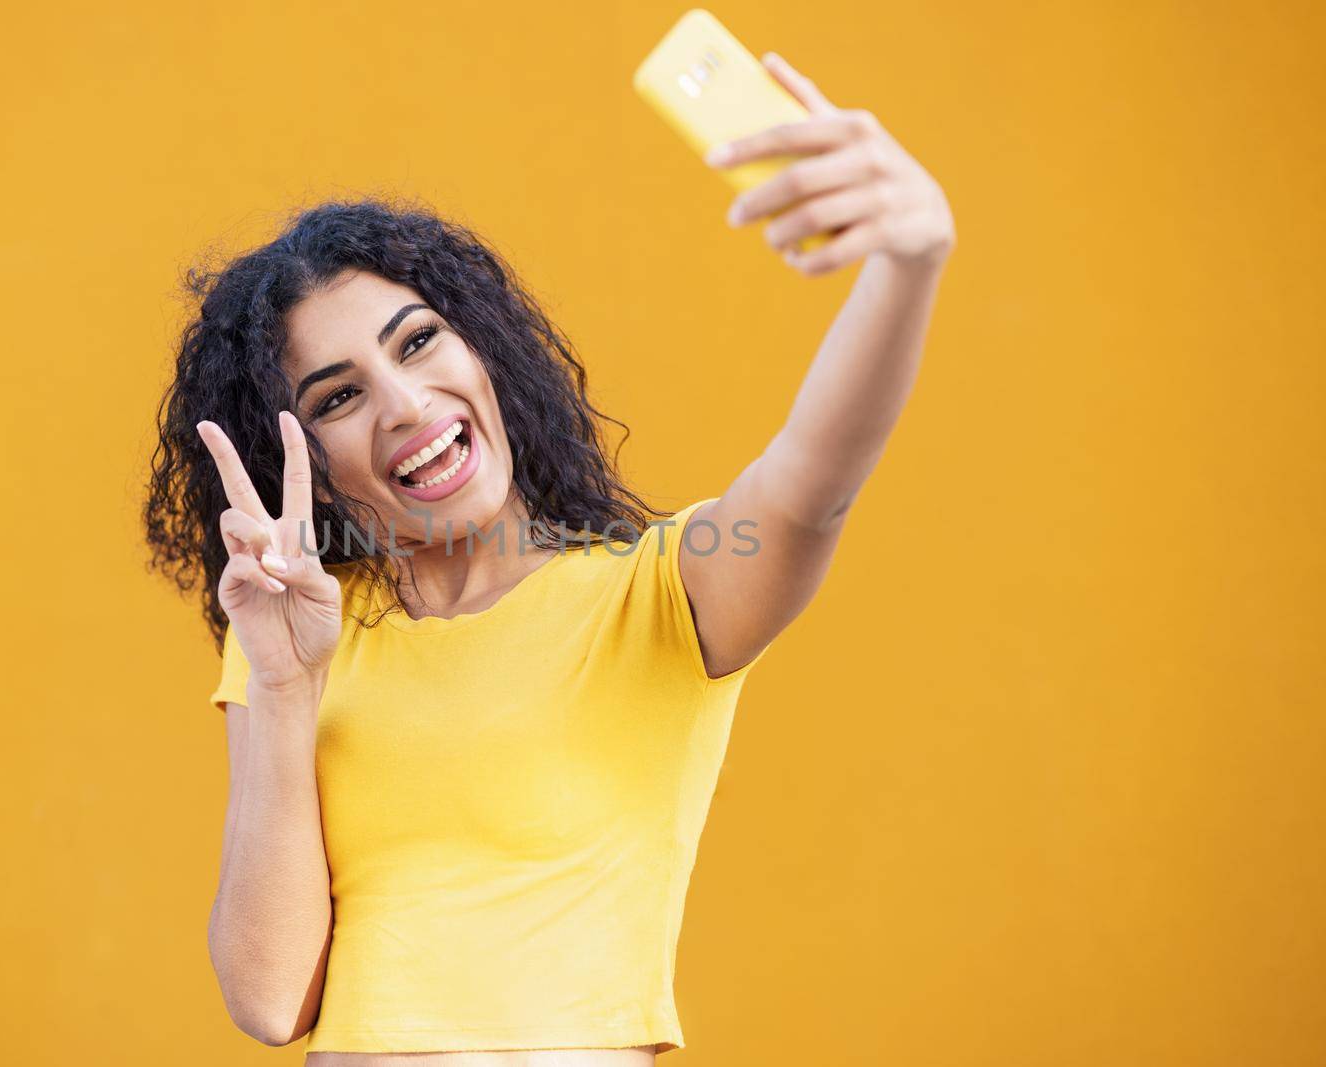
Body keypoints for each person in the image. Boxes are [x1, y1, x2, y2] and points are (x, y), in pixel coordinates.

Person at [142, 56, 954, 1066]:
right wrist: (282, 678)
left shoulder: (656, 595)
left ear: (487, 353)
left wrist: (908, 264)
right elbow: (269, 998)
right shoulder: (301, 630)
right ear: (295, 452)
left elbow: (813, 477)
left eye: (420, 341)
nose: (403, 404)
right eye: (337, 397)